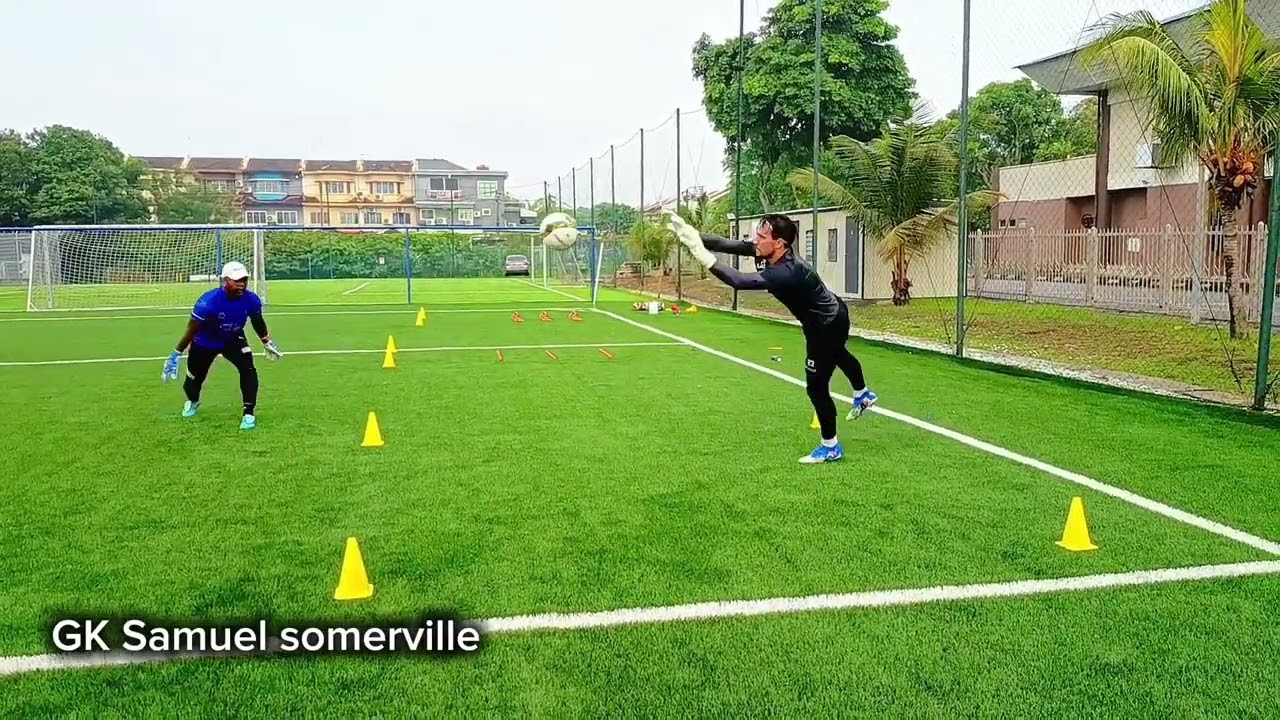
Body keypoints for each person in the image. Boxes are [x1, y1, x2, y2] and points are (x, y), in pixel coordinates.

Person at [664, 212, 876, 464]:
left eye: (762, 236)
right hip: (833, 314)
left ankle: (830, 446)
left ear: (779, 243)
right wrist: (690, 233)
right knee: (838, 354)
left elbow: (738, 281)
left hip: (825, 325)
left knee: (816, 387)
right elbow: (725, 244)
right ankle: (863, 393)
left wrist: (704, 256)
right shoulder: (770, 252)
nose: (756, 240)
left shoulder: (787, 271)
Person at [162, 261, 283, 430]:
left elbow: (257, 321)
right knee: (194, 380)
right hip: (204, 343)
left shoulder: (252, 300)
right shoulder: (208, 303)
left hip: (233, 339)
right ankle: (193, 401)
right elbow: (191, 330)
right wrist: (176, 353)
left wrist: (266, 340)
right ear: (225, 280)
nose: (241, 284)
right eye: (236, 280)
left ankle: (248, 413)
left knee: (248, 369)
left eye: (244, 280)